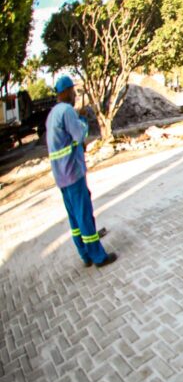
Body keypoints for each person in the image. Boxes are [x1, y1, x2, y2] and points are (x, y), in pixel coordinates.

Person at [47, 76, 117, 268]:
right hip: (73, 173)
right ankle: (98, 257)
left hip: (61, 177)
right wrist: (83, 121)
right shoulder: (67, 110)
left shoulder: (52, 114)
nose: (75, 95)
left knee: (75, 218)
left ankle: (85, 254)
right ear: (67, 91)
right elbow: (79, 135)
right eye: (73, 91)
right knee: (84, 214)